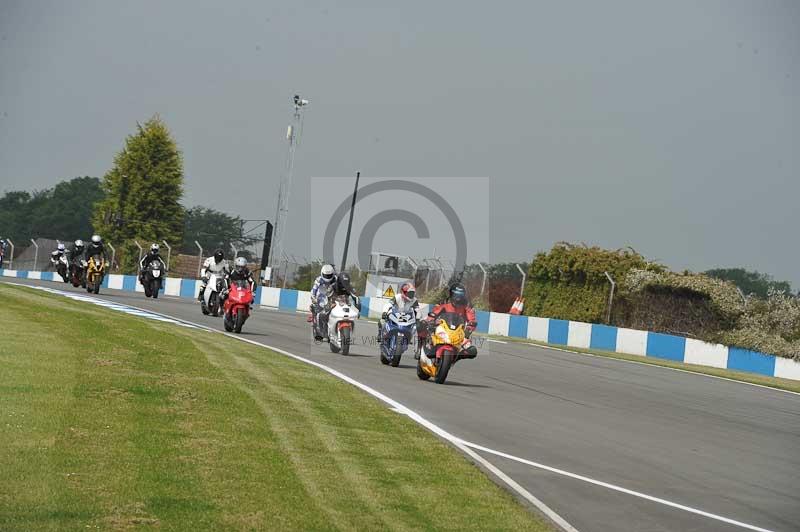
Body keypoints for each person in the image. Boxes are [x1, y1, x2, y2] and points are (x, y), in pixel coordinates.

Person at [421, 282, 478, 359]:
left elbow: (472, 319)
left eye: (460, 296)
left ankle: (457, 357)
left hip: (458, 331)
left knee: (472, 351)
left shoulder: (467, 305)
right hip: (442, 328)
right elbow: (435, 312)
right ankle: (422, 348)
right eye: (456, 295)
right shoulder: (444, 302)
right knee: (422, 326)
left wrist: (470, 327)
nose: (458, 298)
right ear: (451, 294)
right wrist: (430, 320)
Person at [308, 264, 337, 331]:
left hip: (332, 296)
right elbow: (314, 289)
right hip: (322, 295)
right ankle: (313, 315)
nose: (327, 277)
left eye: (329, 275)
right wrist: (313, 297)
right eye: (326, 275)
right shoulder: (318, 280)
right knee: (317, 305)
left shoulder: (336, 279)